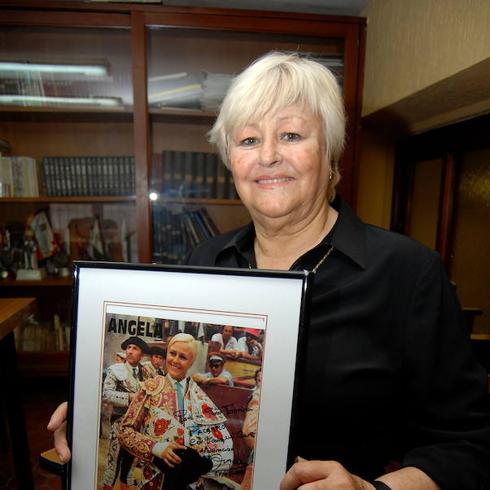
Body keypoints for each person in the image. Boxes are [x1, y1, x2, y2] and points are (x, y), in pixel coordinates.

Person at [49, 52, 490, 490]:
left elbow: (468, 445)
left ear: (331, 153)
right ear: (231, 160)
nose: (269, 156)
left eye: (292, 134)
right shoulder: (205, 260)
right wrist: (92, 418)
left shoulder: (409, 273)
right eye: (248, 140)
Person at [117, 333, 234, 489]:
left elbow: (219, 442)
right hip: (153, 478)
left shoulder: (199, 395)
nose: (175, 360)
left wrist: (205, 464)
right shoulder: (151, 387)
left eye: (183, 357)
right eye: (173, 353)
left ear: (191, 361)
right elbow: (124, 431)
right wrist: (157, 449)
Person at [101, 336, 151, 490]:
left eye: (135, 348)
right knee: (114, 461)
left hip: (138, 425)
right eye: (128, 347)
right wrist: (129, 397)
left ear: (141, 354)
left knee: (130, 462)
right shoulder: (116, 370)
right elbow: (106, 394)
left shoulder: (146, 372)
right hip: (120, 422)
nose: (130, 351)